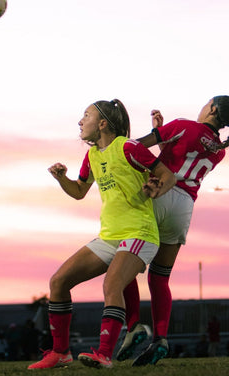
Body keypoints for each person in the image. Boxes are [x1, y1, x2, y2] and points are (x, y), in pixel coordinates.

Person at [28, 99, 176, 370]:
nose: (80, 121)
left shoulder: (128, 147)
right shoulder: (93, 155)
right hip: (110, 236)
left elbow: (168, 175)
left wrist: (157, 188)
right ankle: (60, 353)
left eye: (86, 115)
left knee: (111, 285)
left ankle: (104, 355)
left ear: (103, 124)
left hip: (139, 233)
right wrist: (62, 179)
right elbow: (79, 191)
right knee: (59, 281)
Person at [117, 95, 229, 366]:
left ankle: (133, 329)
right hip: (184, 206)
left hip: (158, 195)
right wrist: (165, 136)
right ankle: (161, 339)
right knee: (160, 278)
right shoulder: (220, 149)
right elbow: (184, 157)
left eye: (205, 103)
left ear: (212, 108)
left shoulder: (184, 125)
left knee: (123, 265)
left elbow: (137, 148)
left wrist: (156, 133)